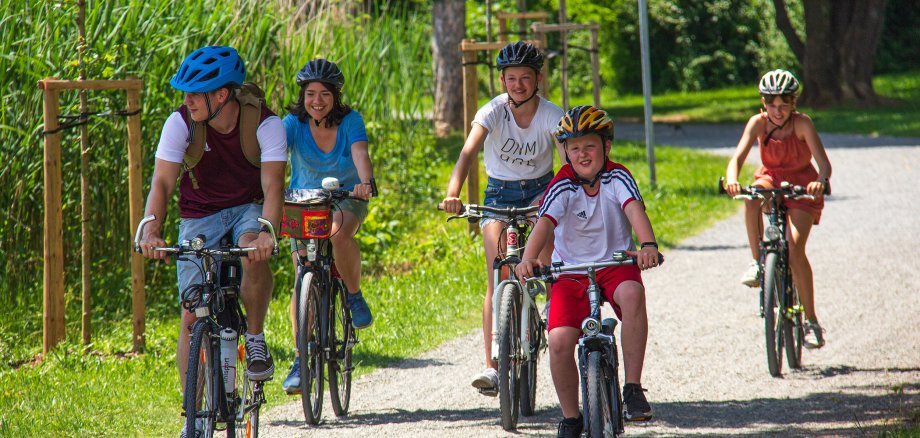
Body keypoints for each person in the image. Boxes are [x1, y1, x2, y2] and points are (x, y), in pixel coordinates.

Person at [137, 46, 286, 437]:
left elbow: (273, 188)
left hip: (246, 208)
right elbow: (163, 182)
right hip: (197, 215)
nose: (186, 101)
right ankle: (194, 416)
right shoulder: (181, 123)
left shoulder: (265, 125)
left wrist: (266, 232)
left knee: (253, 251)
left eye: (194, 93)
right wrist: (151, 227)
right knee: (192, 315)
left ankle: (254, 337)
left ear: (222, 95)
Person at [515, 106, 661, 437]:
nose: (582, 154)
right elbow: (544, 224)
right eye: (574, 147)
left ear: (606, 147)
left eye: (590, 146)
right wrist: (528, 257)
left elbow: (634, 210)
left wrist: (648, 245)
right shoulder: (561, 184)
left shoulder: (617, 176)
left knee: (633, 294)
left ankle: (633, 389)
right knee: (560, 341)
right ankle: (571, 416)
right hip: (571, 272)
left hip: (615, 264)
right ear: (565, 151)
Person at [440, 41, 565, 396]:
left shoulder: (551, 114)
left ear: (538, 78)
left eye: (526, 78)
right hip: (499, 194)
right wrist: (453, 193)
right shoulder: (492, 111)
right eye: (512, 78)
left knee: (549, 263)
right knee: (498, 270)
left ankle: (559, 324)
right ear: (502, 80)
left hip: (540, 192)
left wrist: (564, 194)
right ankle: (493, 364)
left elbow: (564, 160)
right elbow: (467, 153)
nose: (519, 85)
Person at [280, 58, 376, 394]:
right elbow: (274, 158)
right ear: (302, 96)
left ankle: (352, 295)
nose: (316, 100)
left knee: (337, 233)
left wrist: (366, 182)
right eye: (310, 93)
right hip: (303, 202)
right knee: (300, 277)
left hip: (345, 198)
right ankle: (299, 357)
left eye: (324, 93)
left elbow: (360, 153)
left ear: (335, 96)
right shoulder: (292, 123)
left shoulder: (351, 121)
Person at [724, 69, 832, 349]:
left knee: (795, 248)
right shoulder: (757, 124)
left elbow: (824, 165)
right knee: (751, 197)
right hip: (771, 179)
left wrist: (820, 182)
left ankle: (811, 321)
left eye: (784, 105)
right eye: (772, 104)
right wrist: (733, 181)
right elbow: (736, 157)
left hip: (802, 187)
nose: (778, 110)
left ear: (793, 104)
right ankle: (758, 262)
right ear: (763, 103)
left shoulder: (803, 124)